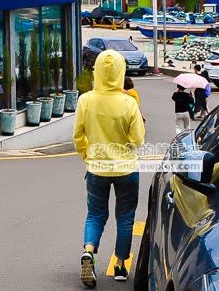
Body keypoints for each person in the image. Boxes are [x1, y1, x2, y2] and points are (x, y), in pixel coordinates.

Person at [73, 50, 146, 287]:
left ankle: (89, 251)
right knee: (125, 218)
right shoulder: (129, 102)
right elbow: (138, 140)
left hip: (97, 168)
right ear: (120, 72)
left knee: (95, 215)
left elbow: (78, 136)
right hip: (126, 169)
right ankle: (120, 265)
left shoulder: (86, 100)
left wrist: (88, 155)